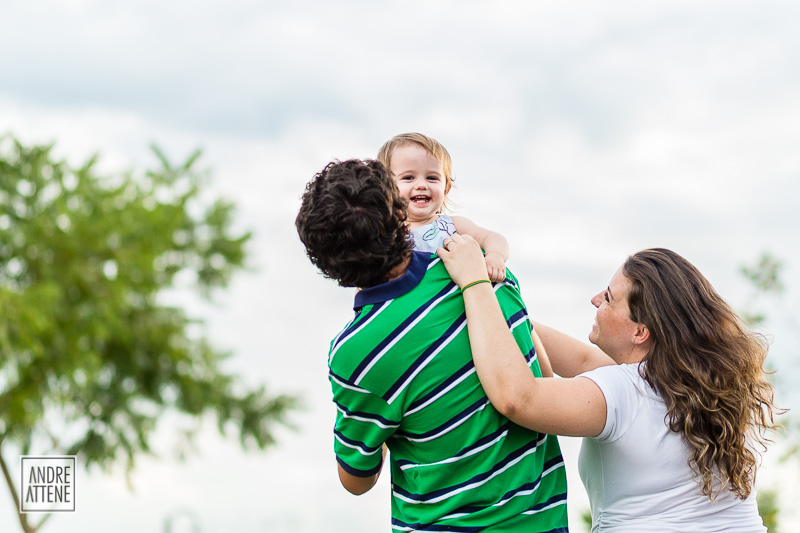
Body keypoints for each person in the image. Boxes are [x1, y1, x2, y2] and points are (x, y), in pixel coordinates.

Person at [437, 235, 780, 533]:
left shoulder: (624, 390)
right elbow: (585, 361)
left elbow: (518, 398)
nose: (595, 300)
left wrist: (474, 284)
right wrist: (494, 311)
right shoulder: (709, 388)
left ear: (640, 331)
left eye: (609, 297)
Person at [295, 159, 568, 532]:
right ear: (399, 214)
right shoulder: (483, 274)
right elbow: (544, 382)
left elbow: (357, 479)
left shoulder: (355, 355)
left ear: (327, 264)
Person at [377, 132, 509, 282]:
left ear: (446, 189)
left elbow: (493, 238)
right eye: (408, 177)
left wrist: (495, 256)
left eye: (432, 178)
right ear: (385, 187)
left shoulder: (451, 225)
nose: (421, 185)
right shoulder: (386, 234)